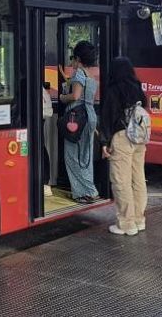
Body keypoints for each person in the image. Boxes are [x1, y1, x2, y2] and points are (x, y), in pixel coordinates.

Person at [100, 57, 148, 236]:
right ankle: (139, 220)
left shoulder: (113, 90)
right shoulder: (137, 88)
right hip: (139, 138)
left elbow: (107, 118)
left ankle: (126, 224)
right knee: (138, 179)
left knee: (121, 180)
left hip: (122, 137)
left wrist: (104, 142)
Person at [58, 41, 100, 203]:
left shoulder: (79, 74)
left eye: (73, 58)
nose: (72, 62)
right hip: (90, 116)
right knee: (85, 157)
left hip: (77, 118)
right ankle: (89, 190)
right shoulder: (91, 75)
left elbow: (75, 96)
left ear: (78, 58)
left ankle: (85, 192)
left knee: (72, 156)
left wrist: (62, 97)